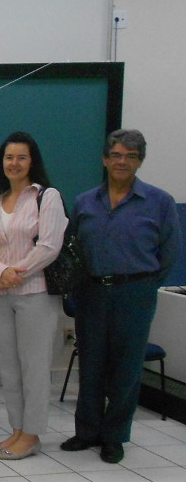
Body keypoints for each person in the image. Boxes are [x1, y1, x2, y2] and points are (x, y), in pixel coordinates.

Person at [61, 129, 182, 464]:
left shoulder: (160, 202)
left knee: (126, 367)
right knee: (92, 363)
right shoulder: (86, 201)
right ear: (105, 159)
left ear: (140, 161)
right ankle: (87, 431)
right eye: (116, 155)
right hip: (92, 291)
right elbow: (73, 247)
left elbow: (169, 255)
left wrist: (140, 282)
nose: (122, 162)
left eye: (130, 156)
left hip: (135, 293)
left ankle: (114, 437)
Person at [0, 133, 66, 459]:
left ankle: (32, 435)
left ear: (32, 162)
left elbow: (49, 246)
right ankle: (16, 430)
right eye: (9, 157)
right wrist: (1, 273)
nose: (14, 163)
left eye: (21, 157)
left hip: (35, 295)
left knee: (34, 367)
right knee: (10, 368)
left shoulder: (47, 196)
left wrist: (15, 274)